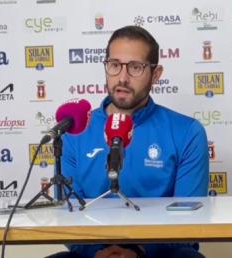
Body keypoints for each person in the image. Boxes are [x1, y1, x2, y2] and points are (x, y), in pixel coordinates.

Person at [47, 25, 209, 258]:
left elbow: (190, 219)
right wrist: (97, 252)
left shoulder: (187, 132)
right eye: (114, 65)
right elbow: (67, 213)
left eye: (135, 67)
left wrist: (142, 251)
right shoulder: (74, 130)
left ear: (156, 74)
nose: (122, 78)